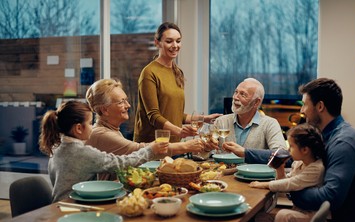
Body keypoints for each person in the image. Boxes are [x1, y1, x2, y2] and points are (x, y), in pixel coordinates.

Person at [245, 78, 355, 222]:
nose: (302, 110)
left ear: (320, 106)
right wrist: (245, 152)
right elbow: (290, 158)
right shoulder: (328, 135)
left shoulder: (343, 143)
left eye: (305, 105)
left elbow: (330, 198)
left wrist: (293, 188)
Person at [39, 100, 168, 202]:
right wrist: (150, 150)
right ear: (78, 128)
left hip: (58, 206)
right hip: (72, 206)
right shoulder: (81, 153)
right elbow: (121, 163)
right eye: (90, 123)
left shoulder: (57, 148)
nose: (93, 127)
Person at [214, 77, 286, 222]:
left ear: (257, 102)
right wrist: (205, 146)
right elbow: (207, 152)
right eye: (236, 92)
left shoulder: (269, 123)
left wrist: (245, 152)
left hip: (255, 187)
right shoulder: (222, 122)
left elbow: (282, 154)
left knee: (243, 218)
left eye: (243, 94)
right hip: (224, 183)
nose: (236, 97)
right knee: (212, 221)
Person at [85, 78, 206, 180]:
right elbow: (139, 151)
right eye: (121, 102)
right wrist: (186, 146)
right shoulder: (101, 134)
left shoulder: (110, 130)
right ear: (104, 110)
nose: (128, 105)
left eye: (126, 100)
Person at [134, 22, 221, 143]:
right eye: (169, 41)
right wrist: (179, 131)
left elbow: (176, 114)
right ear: (157, 42)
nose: (175, 45)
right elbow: (153, 116)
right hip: (152, 144)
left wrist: (204, 119)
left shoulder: (177, 72)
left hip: (175, 143)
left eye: (178, 41)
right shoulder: (149, 72)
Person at [249, 123, 326, 222]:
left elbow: (291, 184)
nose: (288, 149)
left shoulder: (316, 168)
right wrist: (280, 169)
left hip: (312, 219)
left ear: (305, 150)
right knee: (261, 217)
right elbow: (285, 185)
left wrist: (263, 184)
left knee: (283, 215)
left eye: (291, 146)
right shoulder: (298, 163)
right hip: (298, 213)